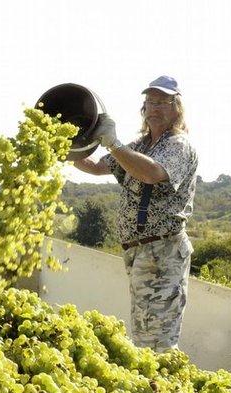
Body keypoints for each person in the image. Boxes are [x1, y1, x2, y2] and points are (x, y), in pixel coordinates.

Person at [73, 75, 198, 352]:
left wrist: (114, 143)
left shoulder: (178, 145)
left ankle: (166, 392)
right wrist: (67, 150)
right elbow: (95, 167)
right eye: (150, 102)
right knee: (144, 336)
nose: (155, 108)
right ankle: (158, 389)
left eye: (163, 102)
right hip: (138, 252)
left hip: (163, 252)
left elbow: (153, 173)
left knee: (159, 341)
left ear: (177, 108)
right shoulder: (140, 146)